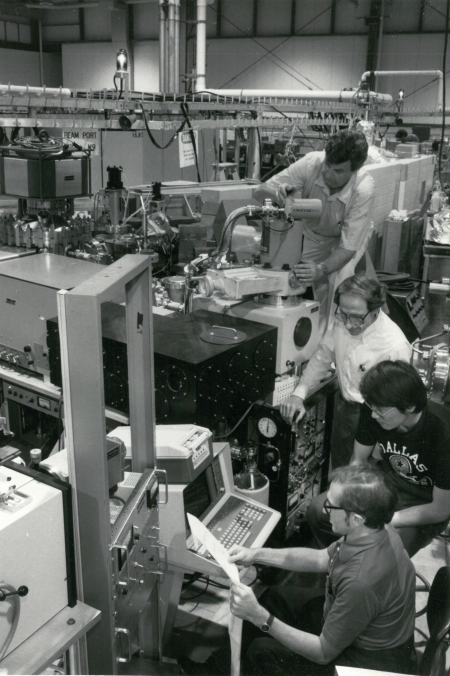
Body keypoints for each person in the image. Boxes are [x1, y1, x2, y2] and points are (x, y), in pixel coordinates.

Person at [180, 464, 416, 676]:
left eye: (331, 505)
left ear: (356, 519)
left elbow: (323, 652)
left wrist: (260, 617)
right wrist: (257, 555)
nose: (324, 510)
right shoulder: (377, 529)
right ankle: (217, 670)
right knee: (274, 597)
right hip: (357, 627)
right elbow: (322, 558)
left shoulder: (360, 581)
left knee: (261, 652)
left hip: (366, 661)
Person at [307, 360, 450, 557]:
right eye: (371, 407)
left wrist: (386, 520)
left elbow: (440, 509)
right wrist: (348, 498)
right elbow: (358, 460)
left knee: (383, 549)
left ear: (409, 406)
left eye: (380, 410)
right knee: (318, 510)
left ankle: (367, 578)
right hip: (386, 487)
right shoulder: (375, 409)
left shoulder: (443, 432)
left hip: (424, 503)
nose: (373, 415)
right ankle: (337, 567)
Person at [280, 274, 412, 469]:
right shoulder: (343, 320)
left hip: (375, 420)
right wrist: (299, 394)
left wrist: (378, 449)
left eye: (357, 318)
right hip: (344, 409)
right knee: (340, 466)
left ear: (375, 310)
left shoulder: (394, 347)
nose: (348, 324)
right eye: (343, 314)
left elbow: (395, 408)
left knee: (364, 478)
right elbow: (323, 355)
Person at [254, 129, 374, 331]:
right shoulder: (311, 163)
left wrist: (321, 269)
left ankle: (332, 338)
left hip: (344, 240)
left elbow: (347, 248)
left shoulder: (363, 189)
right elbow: (259, 192)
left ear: (354, 170)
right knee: (291, 271)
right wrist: (276, 193)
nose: (328, 174)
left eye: (338, 171)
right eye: (328, 165)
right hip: (312, 233)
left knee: (340, 278)